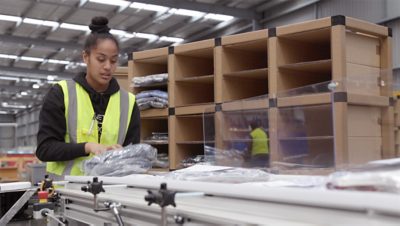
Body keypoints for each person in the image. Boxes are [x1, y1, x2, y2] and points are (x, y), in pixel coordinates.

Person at [36, 16, 140, 178]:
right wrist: (87, 147)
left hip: (111, 192)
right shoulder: (62, 93)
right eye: (101, 59)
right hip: (66, 192)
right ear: (85, 57)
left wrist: (122, 155)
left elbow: (134, 155)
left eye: (113, 61)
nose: (107, 67)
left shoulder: (128, 102)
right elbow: (45, 149)